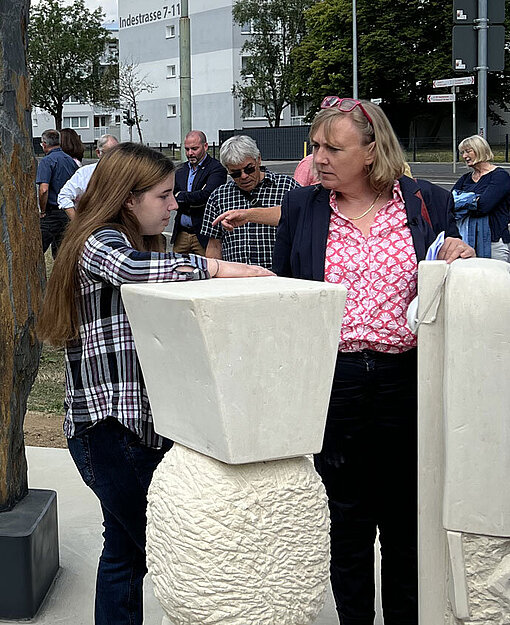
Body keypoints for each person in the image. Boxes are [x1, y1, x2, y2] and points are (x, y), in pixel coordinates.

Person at [38, 142, 272, 625]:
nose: (173, 205)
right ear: (129, 198)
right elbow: (131, 271)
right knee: (173, 553)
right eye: (164, 196)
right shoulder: (97, 240)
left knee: (124, 550)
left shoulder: (135, 240)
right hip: (109, 430)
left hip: (129, 430)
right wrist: (221, 267)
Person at [273, 97, 473, 625]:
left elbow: (448, 274)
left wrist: (460, 254)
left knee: (405, 519)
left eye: (333, 147)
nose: (318, 157)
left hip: (404, 379)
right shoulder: (302, 207)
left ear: (372, 150)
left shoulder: (426, 201)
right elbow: (285, 296)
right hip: (333, 382)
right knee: (347, 520)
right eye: (315, 146)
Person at [199, 135, 297, 270]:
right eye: (235, 173)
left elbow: (303, 226)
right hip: (237, 278)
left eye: (249, 169)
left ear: (259, 160)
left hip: (279, 276)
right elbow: (214, 245)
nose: (244, 176)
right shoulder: (218, 196)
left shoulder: (287, 187)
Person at [452, 134, 510, 261]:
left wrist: (464, 201)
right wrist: (473, 200)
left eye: (468, 151)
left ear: (480, 150)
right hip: (466, 241)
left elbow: (483, 206)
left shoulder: (500, 176)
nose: (464, 156)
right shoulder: (465, 178)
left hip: (494, 241)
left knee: (494, 278)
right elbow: (450, 203)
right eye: (462, 152)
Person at [172, 130, 227, 255]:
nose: (190, 153)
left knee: (206, 270)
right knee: (177, 269)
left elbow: (207, 197)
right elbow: (172, 196)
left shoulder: (216, 169)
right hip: (181, 234)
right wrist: (192, 197)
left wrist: (181, 196)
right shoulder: (181, 170)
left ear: (205, 146)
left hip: (203, 235)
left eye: (194, 149)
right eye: (187, 149)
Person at [37, 129, 80, 256]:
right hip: (67, 211)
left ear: (44, 144)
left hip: (52, 212)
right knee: (61, 252)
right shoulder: (70, 160)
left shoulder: (47, 161)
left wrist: (42, 210)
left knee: (38, 248)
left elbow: (44, 189)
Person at [59, 134, 120, 220]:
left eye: (117, 153)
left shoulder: (125, 172)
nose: (114, 157)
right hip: (91, 225)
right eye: (109, 153)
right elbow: (64, 196)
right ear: (98, 153)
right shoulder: (85, 173)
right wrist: (76, 223)